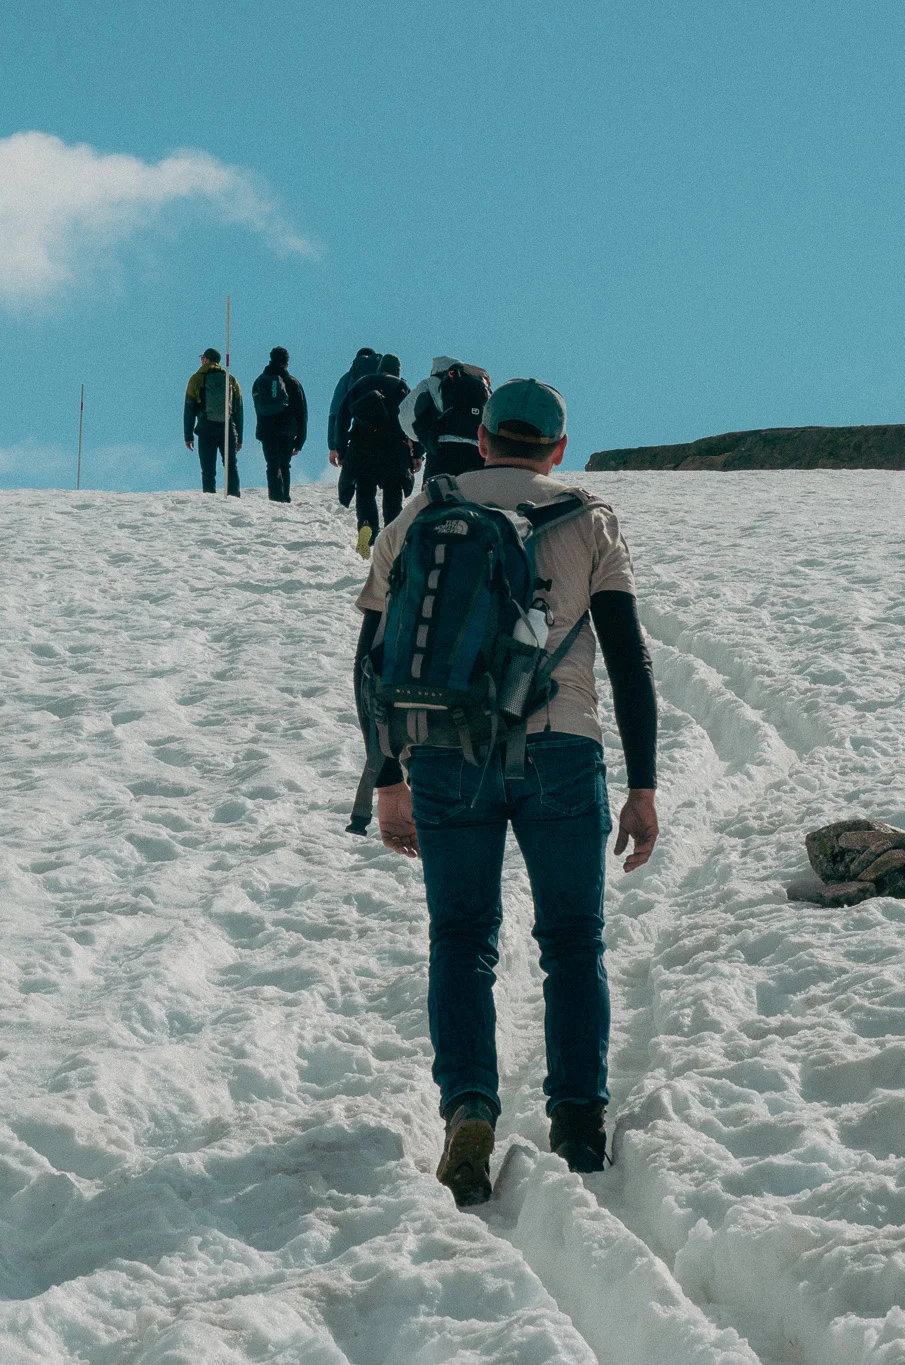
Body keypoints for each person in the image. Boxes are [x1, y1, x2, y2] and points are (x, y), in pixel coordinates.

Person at [353, 377, 659, 1203]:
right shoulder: (591, 519)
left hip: (449, 755)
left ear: (482, 439)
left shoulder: (419, 517)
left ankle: (469, 1106)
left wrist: (387, 780)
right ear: (557, 447)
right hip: (565, 748)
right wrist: (644, 784)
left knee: (460, 937)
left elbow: (374, 661)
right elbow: (628, 659)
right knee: (571, 940)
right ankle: (579, 1118)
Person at [333, 354, 415, 557]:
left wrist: (342, 450)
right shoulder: (402, 388)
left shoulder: (363, 383)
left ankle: (366, 529)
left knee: (365, 493)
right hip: (394, 451)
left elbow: (342, 417)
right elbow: (415, 420)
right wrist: (417, 454)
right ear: (397, 370)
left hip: (362, 448)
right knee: (392, 496)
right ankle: (392, 538)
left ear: (380, 368)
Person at [402, 356, 492, 481]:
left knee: (435, 496)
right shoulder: (478, 384)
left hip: (442, 450)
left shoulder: (433, 382)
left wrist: (422, 439)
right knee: (471, 495)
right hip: (476, 451)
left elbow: (405, 415)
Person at [183, 347, 244, 496]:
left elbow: (189, 408)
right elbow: (239, 409)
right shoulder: (230, 379)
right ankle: (234, 496)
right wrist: (239, 437)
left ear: (206, 359)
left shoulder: (196, 378)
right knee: (230, 465)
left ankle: (210, 499)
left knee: (208, 468)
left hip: (206, 427)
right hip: (227, 427)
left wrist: (188, 436)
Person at [251, 347, 309, 503]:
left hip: (266, 430)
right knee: (284, 464)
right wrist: (300, 439)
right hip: (287, 431)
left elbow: (258, 408)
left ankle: (275, 498)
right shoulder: (292, 382)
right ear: (286, 363)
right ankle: (284, 497)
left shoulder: (259, 382)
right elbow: (301, 413)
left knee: (271, 464)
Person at [326, 347, 379, 509]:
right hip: (383, 435)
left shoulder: (348, 378)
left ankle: (345, 507)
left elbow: (336, 413)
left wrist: (334, 446)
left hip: (358, 434)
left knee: (352, 473)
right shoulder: (383, 377)